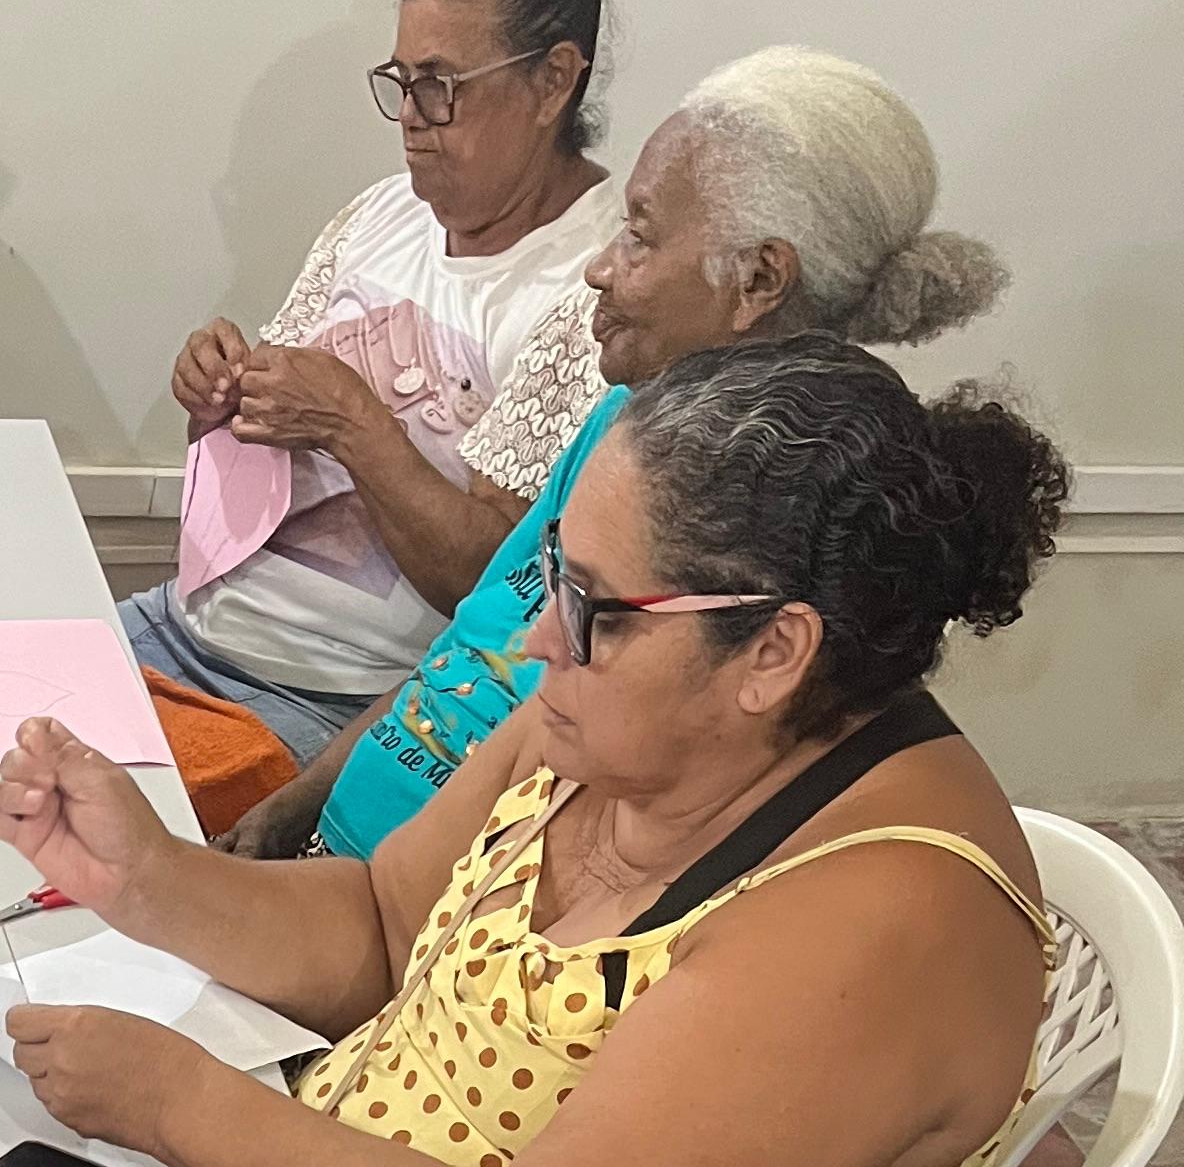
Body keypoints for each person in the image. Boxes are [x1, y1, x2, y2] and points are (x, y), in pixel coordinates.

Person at [0, 340, 1068, 1167]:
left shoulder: (884, 914)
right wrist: (151, 879)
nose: (539, 638)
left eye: (590, 605)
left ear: (772, 651)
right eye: (552, 575)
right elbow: (387, 928)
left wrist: (181, 1105)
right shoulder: (615, 719)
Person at [227, 51, 1011, 862]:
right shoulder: (620, 425)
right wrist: (293, 811)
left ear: (757, 280)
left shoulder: (765, 541)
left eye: (638, 237)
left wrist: (346, 898)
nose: (600, 268)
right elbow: (469, 647)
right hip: (341, 858)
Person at [123, 0, 628, 763]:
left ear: (553, 83)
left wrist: (354, 423)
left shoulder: (594, 285)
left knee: (51, 806)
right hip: (191, 622)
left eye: (442, 85)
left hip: (336, 702)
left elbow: (494, 592)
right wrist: (219, 394)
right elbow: (262, 436)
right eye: (402, 81)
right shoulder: (383, 212)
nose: (412, 119)